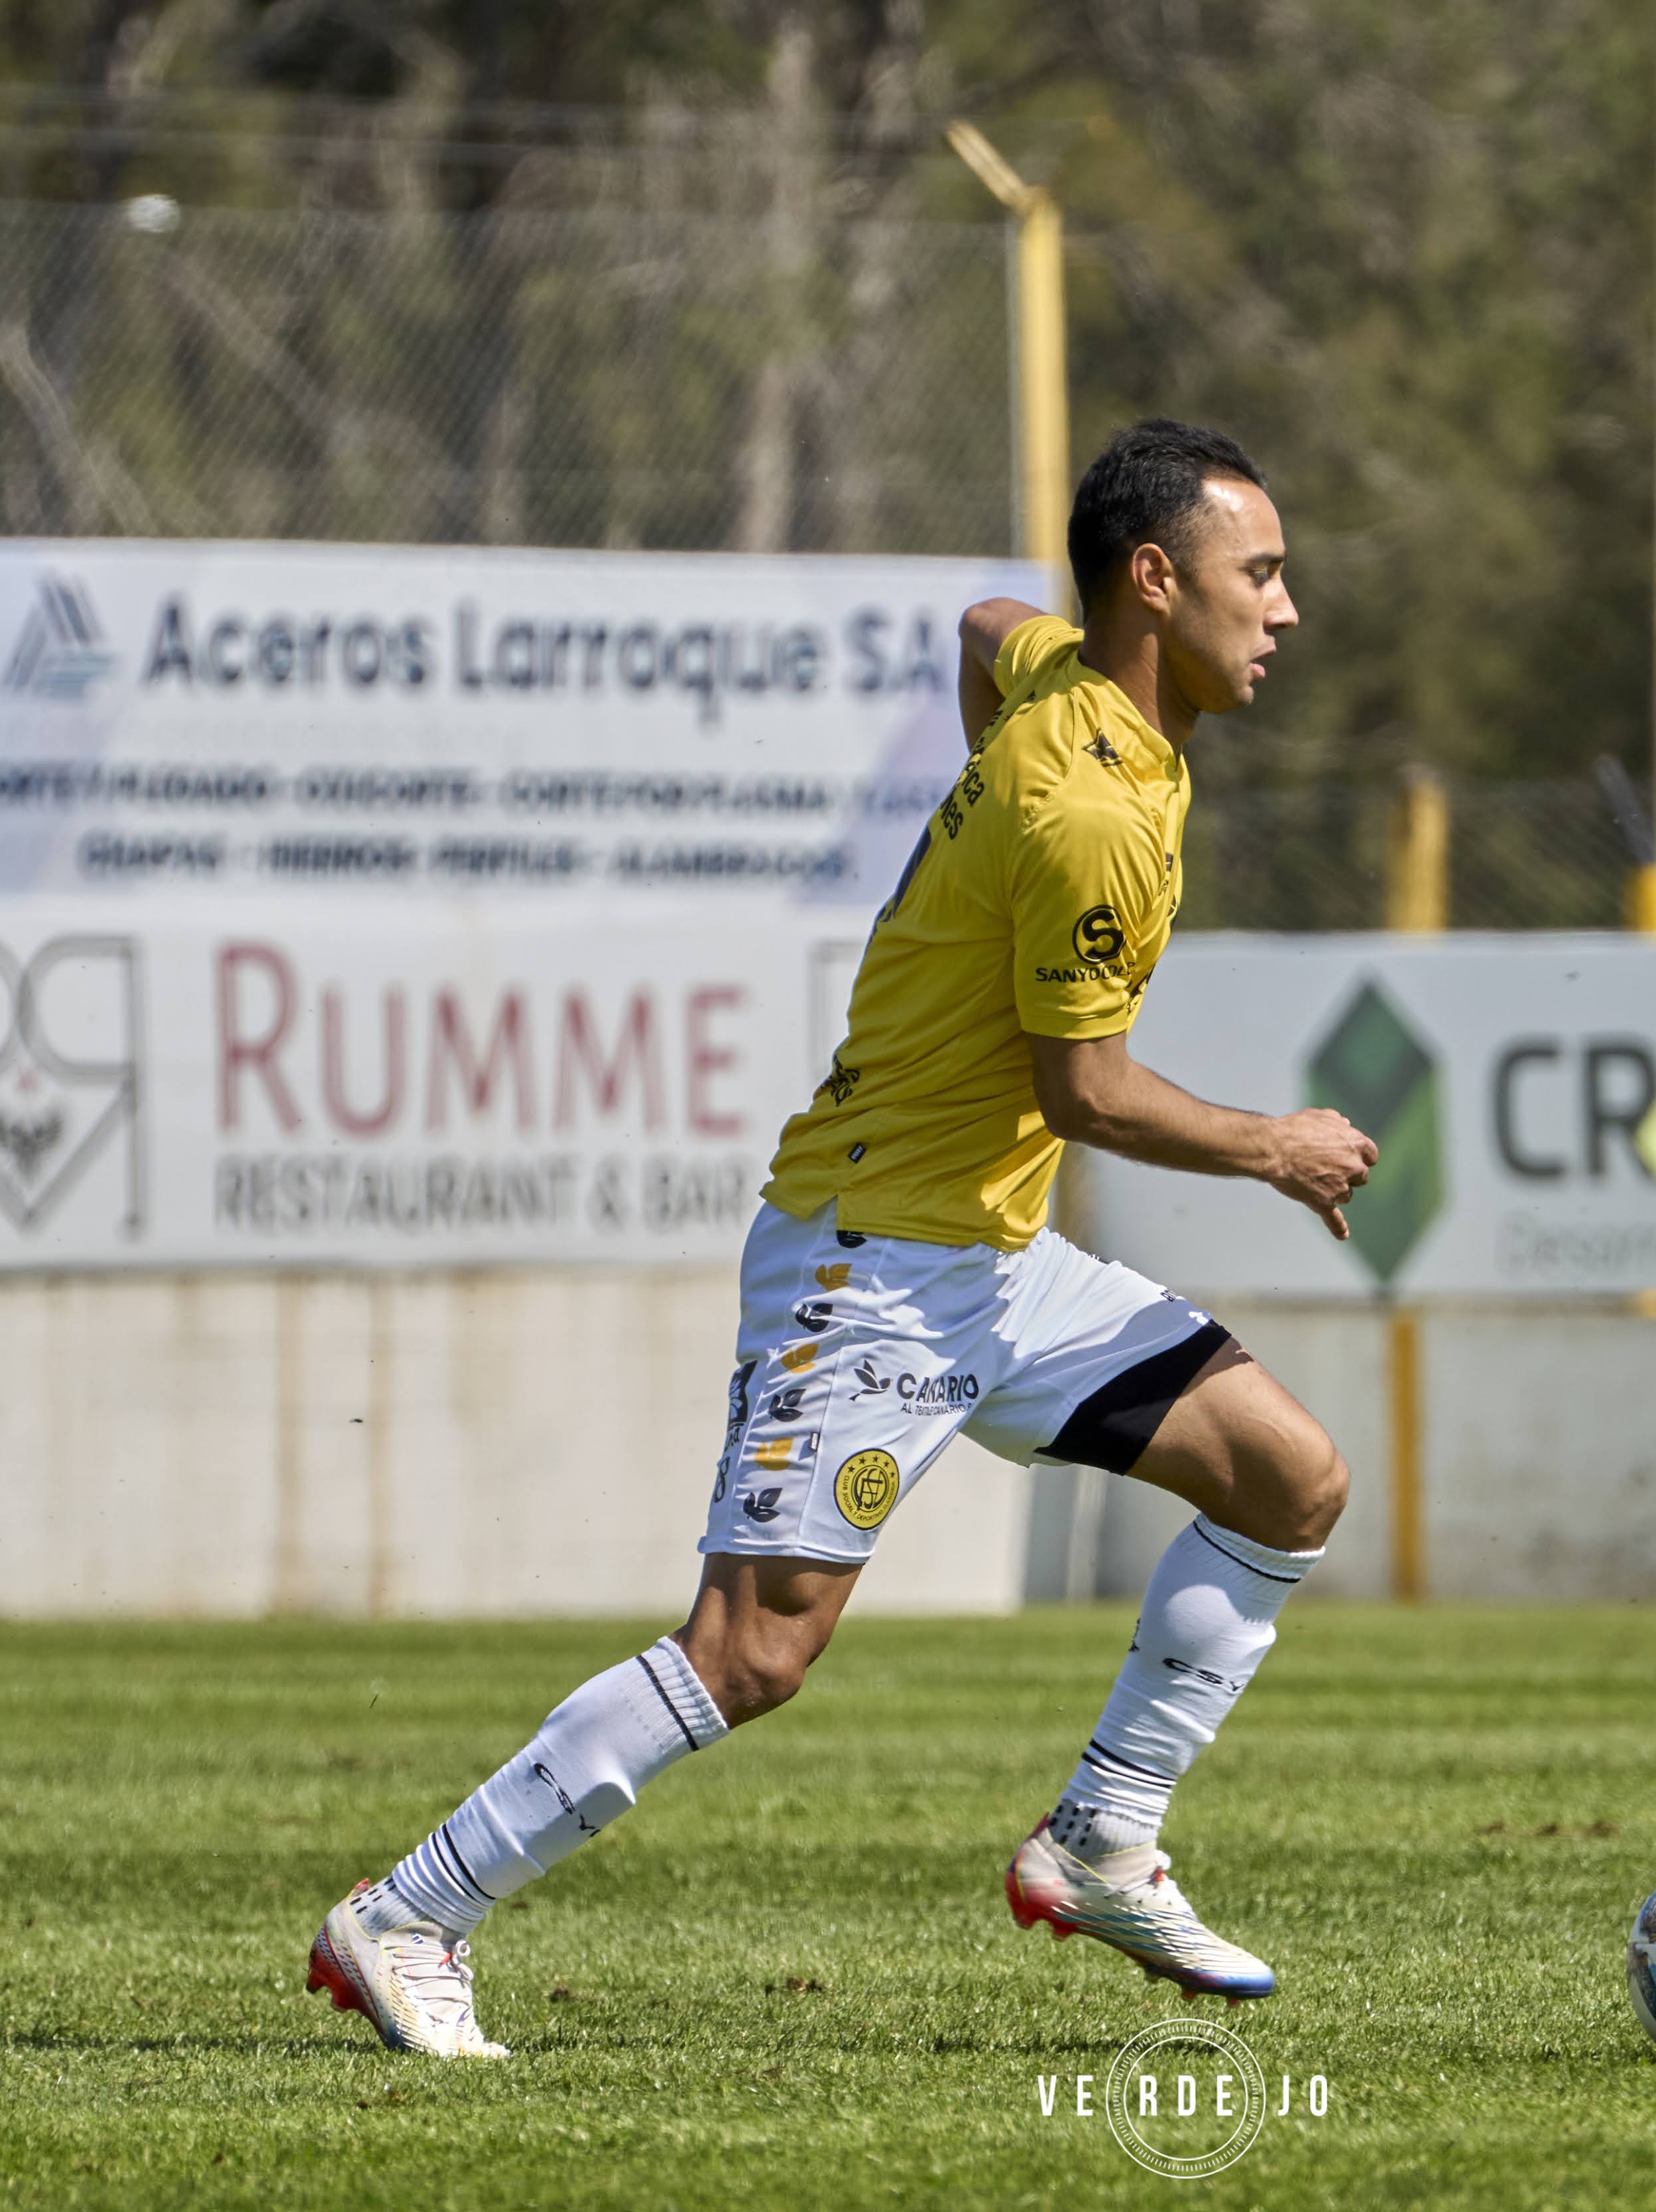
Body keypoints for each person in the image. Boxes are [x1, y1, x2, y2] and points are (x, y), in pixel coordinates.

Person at [307, 419, 1378, 2057]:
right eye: (1263, 572)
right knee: (751, 1652)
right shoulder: (1083, 808)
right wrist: (1273, 1146)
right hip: (873, 1262)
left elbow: (976, 630)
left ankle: (1098, 1840)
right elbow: (1082, 1089)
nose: (1287, 608)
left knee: (1287, 1477)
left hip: (998, 1260)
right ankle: (408, 1914)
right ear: (1156, 583)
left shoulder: (1058, 684)